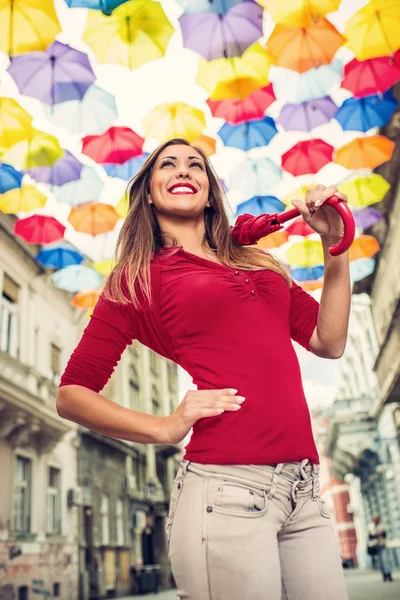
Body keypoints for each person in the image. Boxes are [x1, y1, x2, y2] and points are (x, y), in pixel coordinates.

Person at [57, 138, 351, 600]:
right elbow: (72, 393)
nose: (184, 170)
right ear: (149, 193)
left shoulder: (259, 263)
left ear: (211, 192)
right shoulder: (137, 276)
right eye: (168, 164)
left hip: (304, 491)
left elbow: (327, 340)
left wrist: (336, 247)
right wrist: (165, 427)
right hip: (225, 491)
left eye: (196, 165)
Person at [368, 514, 393, 582]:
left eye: (377, 518)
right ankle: (384, 575)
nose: (376, 520)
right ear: (373, 519)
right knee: (380, 562)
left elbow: (384, 534)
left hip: (382, 545)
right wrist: (377, 534)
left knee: (385, 560)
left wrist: (378, 534)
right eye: (375, 518)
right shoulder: (370, 526)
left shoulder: (381, 525)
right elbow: (370, 536)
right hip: (375, 547)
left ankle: (388, 574)